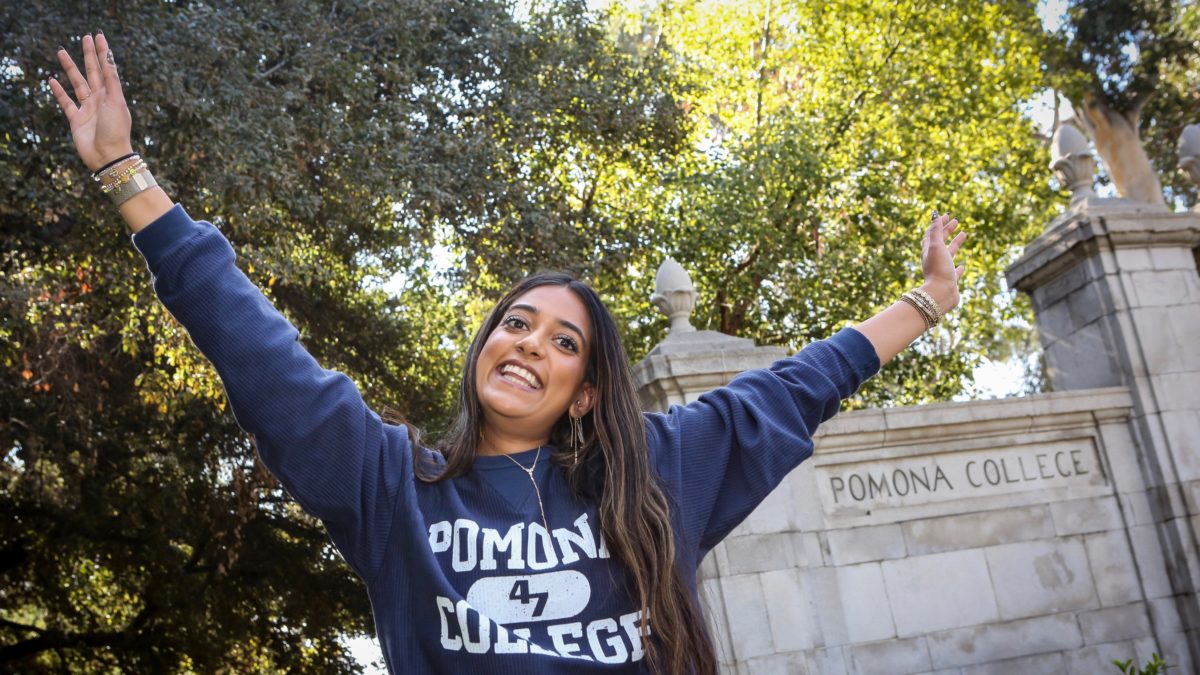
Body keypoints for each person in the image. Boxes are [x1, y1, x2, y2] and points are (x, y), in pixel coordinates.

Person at [50, 33, 967, 675]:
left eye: (563, 340)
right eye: (516, 322)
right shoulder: (391, 484)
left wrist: (926, 302)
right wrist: (127, 176)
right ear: (485, 347)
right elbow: (258, 351)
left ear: (583, 389)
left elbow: (797, 387)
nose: (530, 342)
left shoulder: (655, 475)